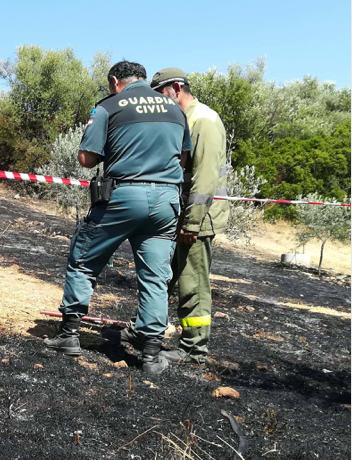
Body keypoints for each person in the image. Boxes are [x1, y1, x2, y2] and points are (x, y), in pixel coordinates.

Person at [44, 61, 191, 374]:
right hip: (166, 202)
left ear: (115, 81)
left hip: (123, 197)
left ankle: (69, 334)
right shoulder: (176, 110)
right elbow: (184, 157)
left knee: (83, 260)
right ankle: (151, 355)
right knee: (155, 276)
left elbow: (86, 159)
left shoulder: (109, 107)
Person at [152, 68, 229, 364]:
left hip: (198, 218)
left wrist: (192, 223)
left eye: (160, 94)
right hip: (182, 215)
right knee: (168, 275)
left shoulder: (204, 121)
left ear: (175, 88)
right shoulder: (184, 119)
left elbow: (205, 179)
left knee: (192, 282)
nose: (159, 101)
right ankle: (148, 330)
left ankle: (193, 349)